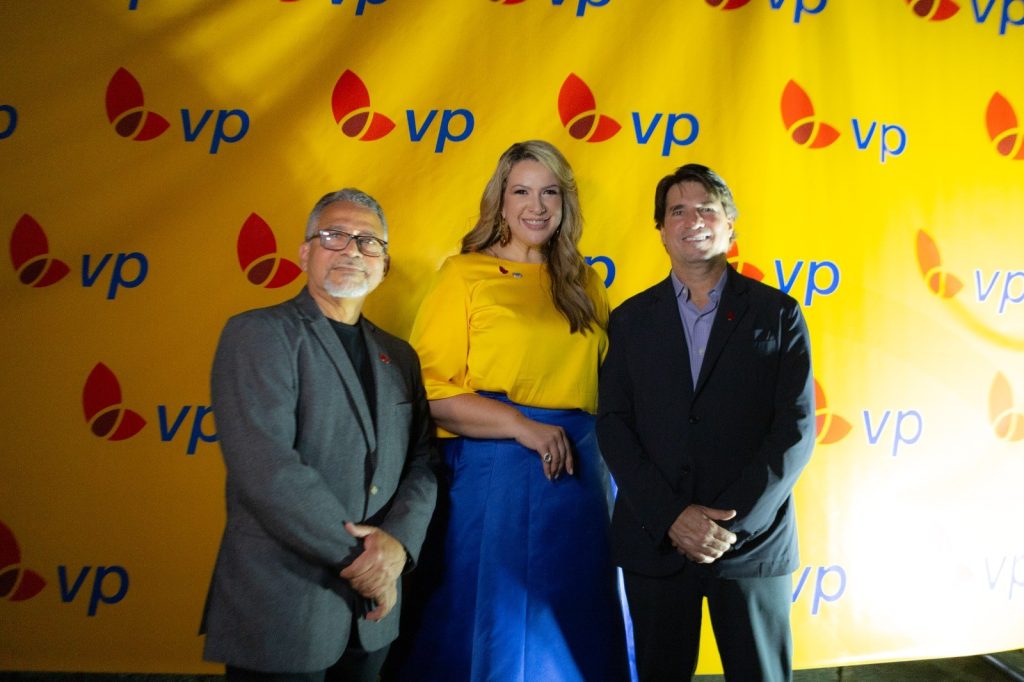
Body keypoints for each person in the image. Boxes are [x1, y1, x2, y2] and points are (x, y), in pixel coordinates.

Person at [399, 141, 629, 681]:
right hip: (496, 471)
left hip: (583, 477)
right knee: (498, 625)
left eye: (550, 192)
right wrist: (521, 427)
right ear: (500, 201)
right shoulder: (463, 274)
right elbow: (429, 388)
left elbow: (611, 383)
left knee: (579, 621)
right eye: (522, 191)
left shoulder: (585, 283)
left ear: (566, 203)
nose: (537, 206)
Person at [200, 188, 437, 681]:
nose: (352, 250)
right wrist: (367, 562)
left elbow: (423, 462)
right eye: (334, 236)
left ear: (384, 265)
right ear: (305, 253)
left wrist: (397, 547)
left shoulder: (400, 356)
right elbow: (267, 469)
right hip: (282, 607)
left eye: (368, 241)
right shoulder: (258, 334)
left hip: (373, 619)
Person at [596, 164, 816, 681]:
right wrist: (672, 517)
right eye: (678, 211)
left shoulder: (778, 313)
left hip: (751, 545)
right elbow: (614, 426)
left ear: (730, 224)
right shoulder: (629, 320)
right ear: (661, 230)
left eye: (707, 209)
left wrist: (726, 527)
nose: (693, 220)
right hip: (656, 539)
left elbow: (795, 429)